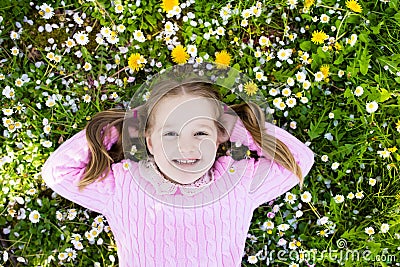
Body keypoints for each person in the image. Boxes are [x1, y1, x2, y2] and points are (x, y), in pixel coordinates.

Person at [42, 78, 314, 266]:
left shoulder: (239, 181)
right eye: (170, 133)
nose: (186, 147)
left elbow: (299, 159)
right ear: (148, 140)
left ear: (220, 136)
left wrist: (233, 124)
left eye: (200, 132)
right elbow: (57, 172)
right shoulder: (122, 184)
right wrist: (128, 124)